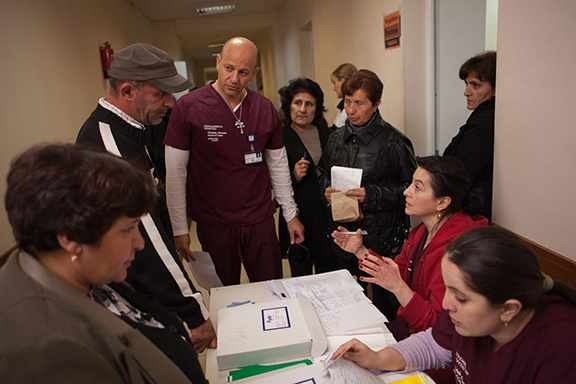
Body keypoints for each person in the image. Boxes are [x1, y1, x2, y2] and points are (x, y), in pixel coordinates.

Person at [0, 144, 207, 383]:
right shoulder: (47, 348)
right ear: (71, 238)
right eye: (127, 229)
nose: (139, 243)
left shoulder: (82, 272)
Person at [76, 43, 216, 352]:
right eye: (160, 94)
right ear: (127, 91)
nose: (170, 102)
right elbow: (146, 238)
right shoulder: (111, 147)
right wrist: (193, 311)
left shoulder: (132, 129)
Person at [333, 226, 576, 384]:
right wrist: (376, 358)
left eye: (460, 297)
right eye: (447, 288)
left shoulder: (561, 350)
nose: (447, 304)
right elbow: (434, 344)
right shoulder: (468, 318)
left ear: (509, 309)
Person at [164, 37, 305, 286]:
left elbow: (278, 166)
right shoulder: (188, 107)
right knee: (224, 297)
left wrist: (291, 214)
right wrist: (179, 228)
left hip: (259, 221)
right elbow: (176, 174)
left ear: (254, 73)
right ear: (218, 62)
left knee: (272, 292)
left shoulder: (264, 108)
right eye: (229, 68)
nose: (234, 79)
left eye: (243, 72)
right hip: (214, 224)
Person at [332, 156, 488, 339]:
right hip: (412, 330)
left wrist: (398, 287)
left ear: (442, 202)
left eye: (417, 187)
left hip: (435, 347)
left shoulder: (458, 252)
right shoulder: (422, 231)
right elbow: (397, 271)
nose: (406, 192)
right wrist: (361, 252)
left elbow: (438, 327)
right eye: (411, 184)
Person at [318, 69, 417, 320]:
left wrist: (370, 194)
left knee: (386, 305)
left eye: (359, 103)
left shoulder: (394, 141)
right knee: (350, 303)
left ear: (376, 104)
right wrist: (326, 189)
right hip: (344, 234)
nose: (351, 110)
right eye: (348, 102)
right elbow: (321, 173)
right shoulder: (336, 138)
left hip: (382, 238)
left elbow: (411, 188)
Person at [278, 77, 338, 277]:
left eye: (309, 104)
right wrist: (294, 175)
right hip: (298, 214)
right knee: (301, 275)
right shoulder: (279, 137)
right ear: (289, 106)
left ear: (317, 108)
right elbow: (272, 180)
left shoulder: (327, 133)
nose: (302, 109)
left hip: (325, 214)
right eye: (297, 103)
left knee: (329, 272)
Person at [444, 51, 496, 220]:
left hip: (471, 216)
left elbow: (460, 176)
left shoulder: (483, 125)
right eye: (466, 84)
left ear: (495, 88)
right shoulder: (483, 118)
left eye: (476, 85)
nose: (466, 92)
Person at [330, 63, 358, 129]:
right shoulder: (343, 106)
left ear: (343, 81)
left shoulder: (349, 109)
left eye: (335, 83)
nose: (334, 89)